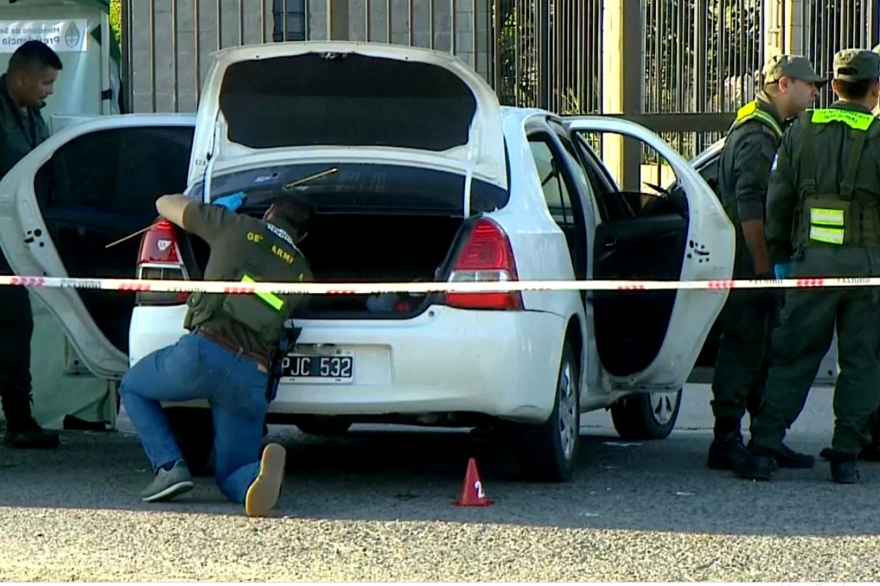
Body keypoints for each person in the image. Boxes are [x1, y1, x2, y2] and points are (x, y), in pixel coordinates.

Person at [118, 190, 315, 516]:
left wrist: (209, 208)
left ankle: (169, 467)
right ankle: (254, 477)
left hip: (203, 355)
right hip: (252, 375)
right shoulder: (303, 274)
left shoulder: (233, 226)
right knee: (232, 472)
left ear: (269, 212)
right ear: (303, 235)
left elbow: (164, 203)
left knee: (134, 386)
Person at [734, 48, 880, 484]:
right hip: (868, 270)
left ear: (833, 87)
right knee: (862, 362)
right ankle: (846, 458)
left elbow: (778, 201)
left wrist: (778, 258)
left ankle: (762, 448)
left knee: (793, 358)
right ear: (876, 89)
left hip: (810, 266)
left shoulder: (800, 132)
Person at [707, 54, 824, 471]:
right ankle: (726, 439)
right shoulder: (758, 134)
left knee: (764, 347)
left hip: (761, 257)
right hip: (749, 259)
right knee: (744, 345)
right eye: (809, 85)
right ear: (784, 84)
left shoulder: (771, 127)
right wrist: (760, 263)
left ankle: (763, 439)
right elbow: (750, 205)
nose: (814, 92)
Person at [0, 41, 63, 449]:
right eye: (45, 82)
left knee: (14, 326)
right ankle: (19, 422)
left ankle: (19, 420)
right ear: (22, 78)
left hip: (13, 241)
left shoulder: (34, 115)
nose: (50, 91)